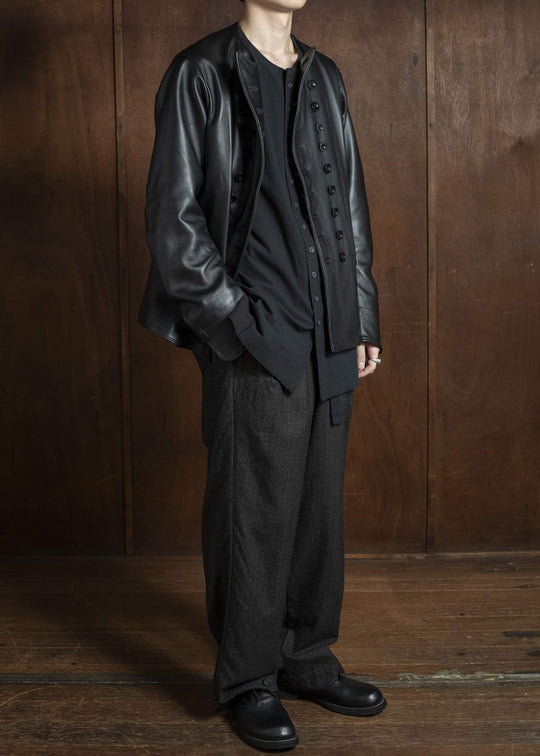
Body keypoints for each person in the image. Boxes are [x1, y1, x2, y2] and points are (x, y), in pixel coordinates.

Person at [138, 0, 386, 750]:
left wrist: (361, 315)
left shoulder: (324, 75)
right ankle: (249, 678)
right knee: (253, 513)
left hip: (330, 328)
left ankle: (306, 658)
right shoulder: (200, 73)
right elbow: (173, 221)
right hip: (256, 331)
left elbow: (350, 205)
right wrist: (233, 324)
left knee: (317, 511)